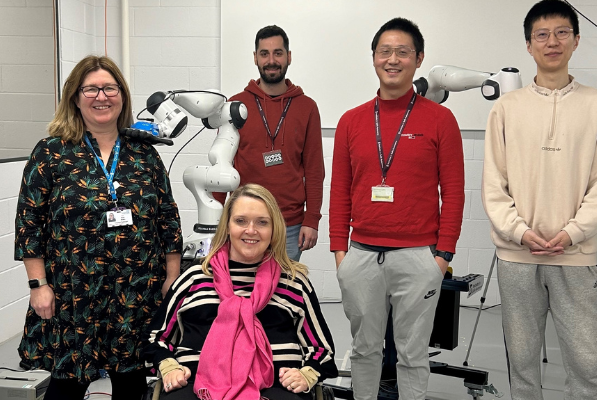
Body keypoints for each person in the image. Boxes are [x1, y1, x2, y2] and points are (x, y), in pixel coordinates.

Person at [15, 55, 183, 400]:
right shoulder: (51, 153)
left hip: (136, 290)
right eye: (90, 89)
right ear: (75, 98)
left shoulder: (144, 154)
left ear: (122, 95)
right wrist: (38, 285)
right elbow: (29, 223)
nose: (101, 97)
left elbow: (167, 217)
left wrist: (172, 277)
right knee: (67, 385)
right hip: (73, 292)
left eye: (110, 88)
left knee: (131, 382)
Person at [481, 1, 597, 399]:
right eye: (541, 35)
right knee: (522, 361)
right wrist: (519, 232)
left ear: (576, 40)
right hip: (517, 255)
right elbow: (494, 182)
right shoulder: (506, 108)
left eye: (562, 33)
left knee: (588, 361)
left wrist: (574, 232)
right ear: (529, 45)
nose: (552, 42)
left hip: (575, 255)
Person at [329, 17, 465, 400]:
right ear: (373, 57)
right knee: (364, 350)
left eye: (402, 52)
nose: (392, 60)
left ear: (418, 59)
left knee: (413, 354)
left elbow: (454, 192)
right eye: (385, 51)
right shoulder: (351, 121)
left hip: (418, 257)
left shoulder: (440, 120)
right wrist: (340, 253)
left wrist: (442, 257)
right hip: (360, 257)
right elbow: (339, 191)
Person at [145, 184, 337, 400]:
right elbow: (156, 338)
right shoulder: (194, 278)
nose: (251, 230)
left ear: (274, 229)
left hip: (276, 386)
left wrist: (306, 374)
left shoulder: (294, 283)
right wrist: (169, 366)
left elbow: (322, 349)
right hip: (197, 384)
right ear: (227, 226)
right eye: (241, 221)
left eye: (262, 222)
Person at [213, 25, 324, 262]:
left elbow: (315, 169)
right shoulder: (235, 106)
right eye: (264, 54)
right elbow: (222, 164)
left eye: (278, 53)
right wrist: (215, 219)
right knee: (244, 284)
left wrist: (312, 219)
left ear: (289, 57)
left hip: (289, 226)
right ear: (255, 58)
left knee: (283, 285)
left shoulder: (307, 107)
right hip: (245, 224)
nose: (271, 61)